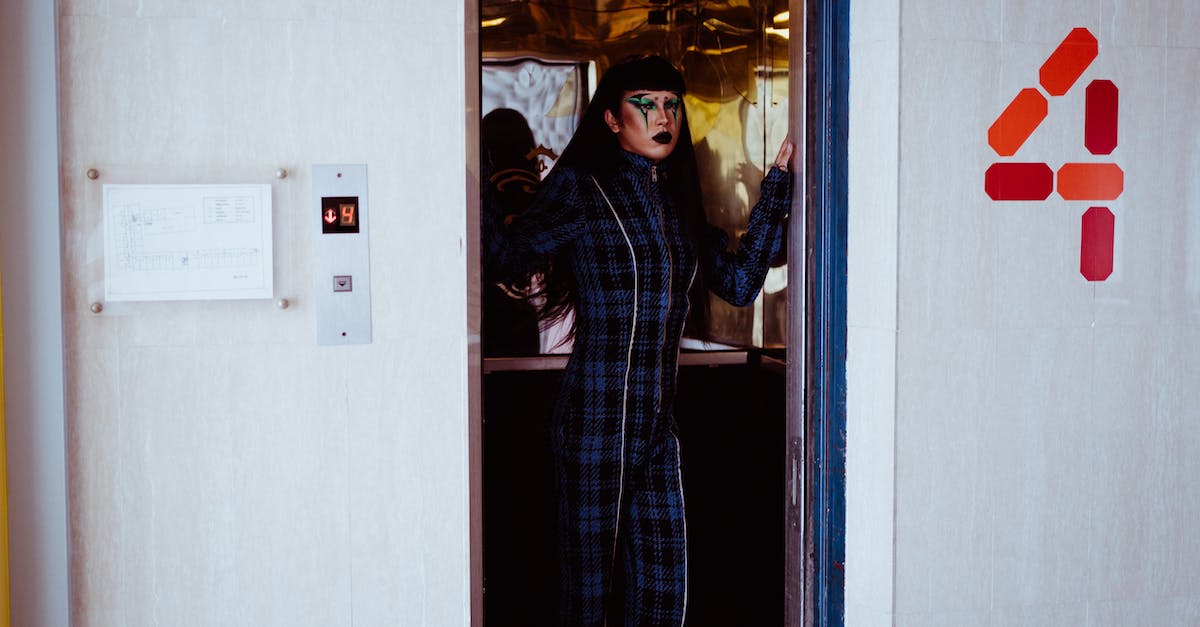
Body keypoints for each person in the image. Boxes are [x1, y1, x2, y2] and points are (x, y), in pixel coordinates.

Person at [482, 54, 793, 626]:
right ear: (611, 119)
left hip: (657, 425)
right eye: (644, 104)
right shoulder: (581, 189)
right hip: (593, 425)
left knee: (664, 587)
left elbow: (743, 284)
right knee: (588, 595)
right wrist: (469, 167)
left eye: (671, 104)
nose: (662, 115)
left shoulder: (675, 203)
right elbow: (507, 256)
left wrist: (777, 188)